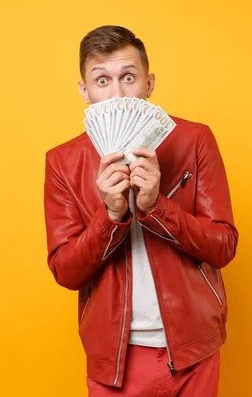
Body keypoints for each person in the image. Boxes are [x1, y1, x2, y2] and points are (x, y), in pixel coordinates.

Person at [43, 25, 239, 396]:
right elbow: (66, 271)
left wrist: (156, 207)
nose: (117, 94)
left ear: (148, 84)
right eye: (102, 81)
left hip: (193, 349)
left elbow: (223, 246)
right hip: (114, 358)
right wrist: (111, 216)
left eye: (128, 77)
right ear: (85, 91)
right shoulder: (63, 162)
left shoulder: (194, 140)